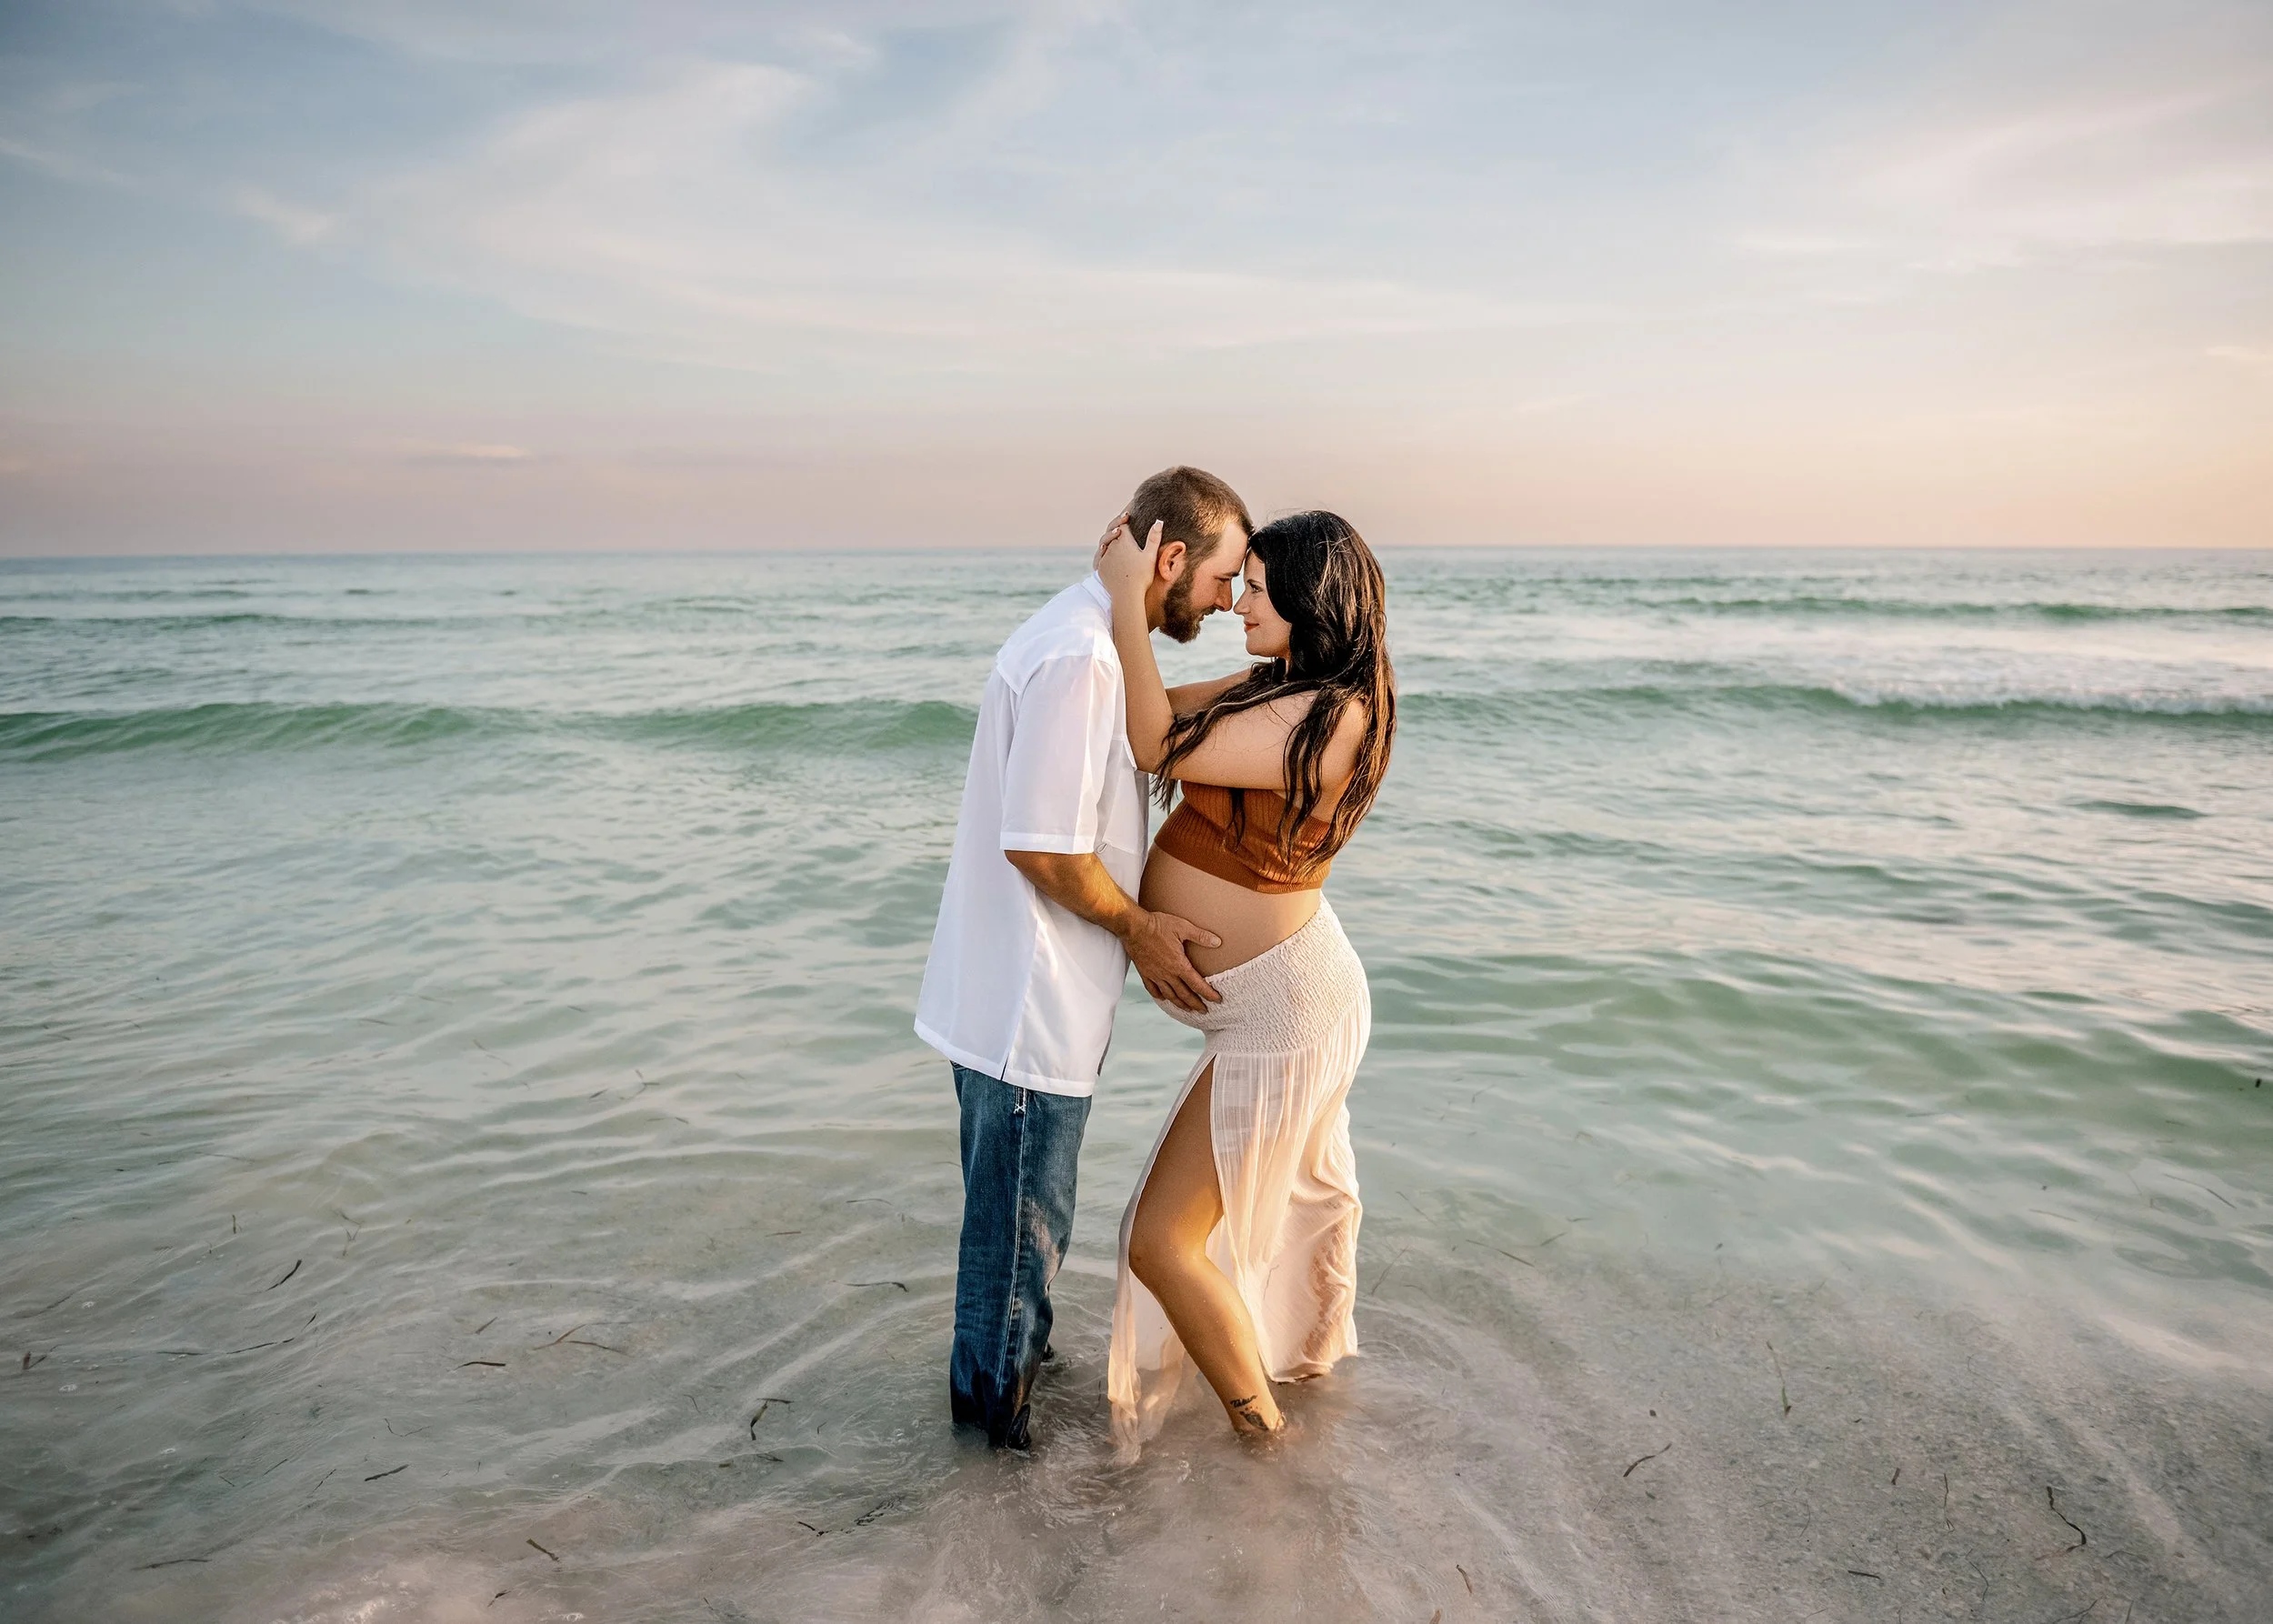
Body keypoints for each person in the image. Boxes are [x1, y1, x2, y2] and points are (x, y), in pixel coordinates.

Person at [916, 466, 1253, 1449]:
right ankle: (990, 1464)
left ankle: (1003, 1419)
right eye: (1225, 579)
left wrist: (1283, 678)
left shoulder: (1098, 640)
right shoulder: (1081, 658)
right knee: (1016, 1252)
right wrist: (1143, 930)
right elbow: (1041, 846)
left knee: (1016, 1243)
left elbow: (1153, 732)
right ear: (1173, 557)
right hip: (1027, 1012)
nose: (1230, 603)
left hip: (1021, 1004)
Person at [1095, 508, 1396, 1456]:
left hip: (1287, 1011)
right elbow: (1164, 705)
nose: (1241, 606)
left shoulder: (1331, 712)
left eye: (1258, 591)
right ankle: (1273, 1410)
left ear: (1311, 600)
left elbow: (1154, 743)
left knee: (1161, 1240)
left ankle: (1265, 1446)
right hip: (1277, 1005)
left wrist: (1117, 601)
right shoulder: (1286, 685)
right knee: (1195, 1231)